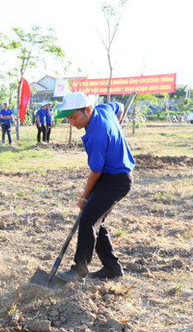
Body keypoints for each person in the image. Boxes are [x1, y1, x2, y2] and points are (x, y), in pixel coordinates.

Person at [54, 92, 135, 282]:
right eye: (69, 118)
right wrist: (115, 129)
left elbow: (96, 171)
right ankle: (112, 268)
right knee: (97, 221)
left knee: (88, 219)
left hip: (116, 180)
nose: (72, 122)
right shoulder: (104, 109)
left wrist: (84, 197)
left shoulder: (97, 136)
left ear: (88, 109)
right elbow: (120, 107)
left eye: (74, 117)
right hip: (111, 176)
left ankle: (79, 270)